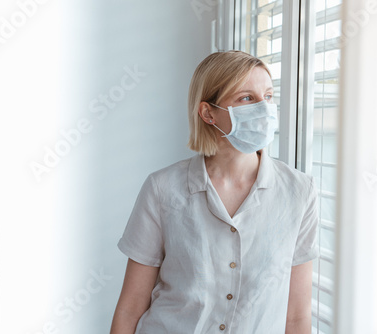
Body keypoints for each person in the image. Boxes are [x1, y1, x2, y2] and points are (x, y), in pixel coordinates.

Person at [110, 50, 319, 334]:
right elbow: (131, 307)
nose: (264, 108)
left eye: (268, 96)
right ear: (209, 113)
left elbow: (296, 317)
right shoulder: (162, 189)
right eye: (247, 98)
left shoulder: (299, 192)